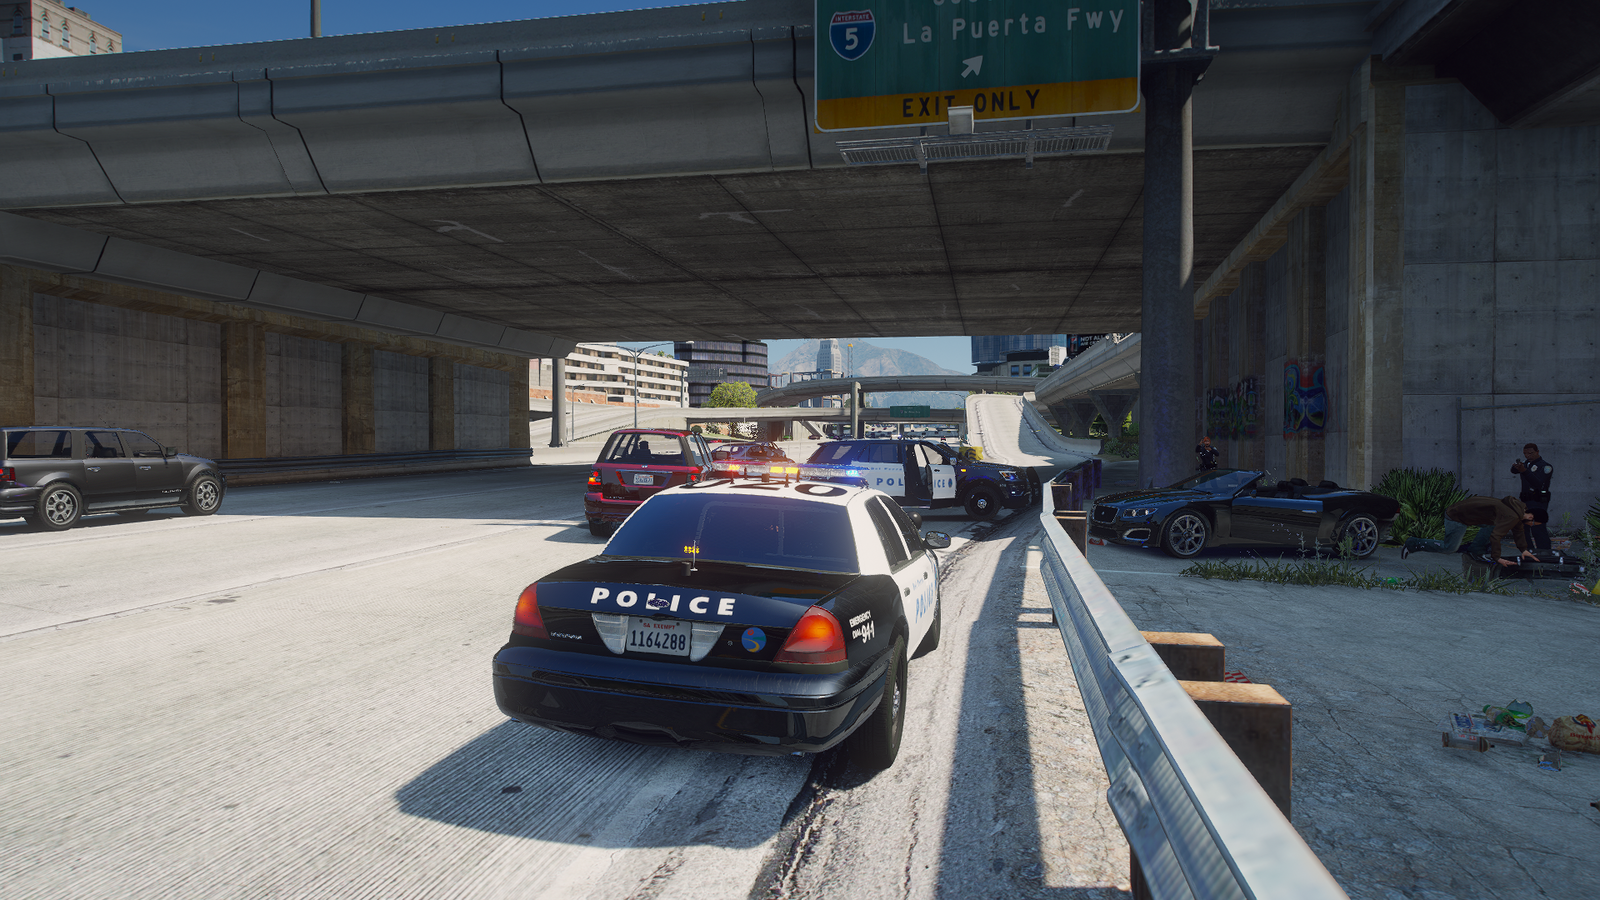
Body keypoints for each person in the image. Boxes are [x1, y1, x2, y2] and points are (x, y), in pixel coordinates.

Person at [1400, 495, 1546, 567]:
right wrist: (1497, 558)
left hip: (1469, 513)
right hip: (1456, 516)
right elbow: (1496, 536)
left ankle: (1476, 551)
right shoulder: (1512, 515)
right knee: (1449, 548)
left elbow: (1518, 530)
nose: (1531, 526)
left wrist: (1523, 550)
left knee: (1492, 526)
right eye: (1533, 523)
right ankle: (1413, 543)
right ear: (1531, 517)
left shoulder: (1518, 509)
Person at [1511, 443, 1553, 550]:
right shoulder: (1526, 464)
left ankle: (1544, 552)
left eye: (1531, 453)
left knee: (1537, 527)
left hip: (1538, 501)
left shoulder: (1545, 467)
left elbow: (1538, 484)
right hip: (1525, 500)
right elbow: (1513, 470)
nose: (1527, 456)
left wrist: (1524, 471)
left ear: (1537, 452)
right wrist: (1517, 466)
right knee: (1522, 527)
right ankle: (1529, 551)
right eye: (1525, 453)